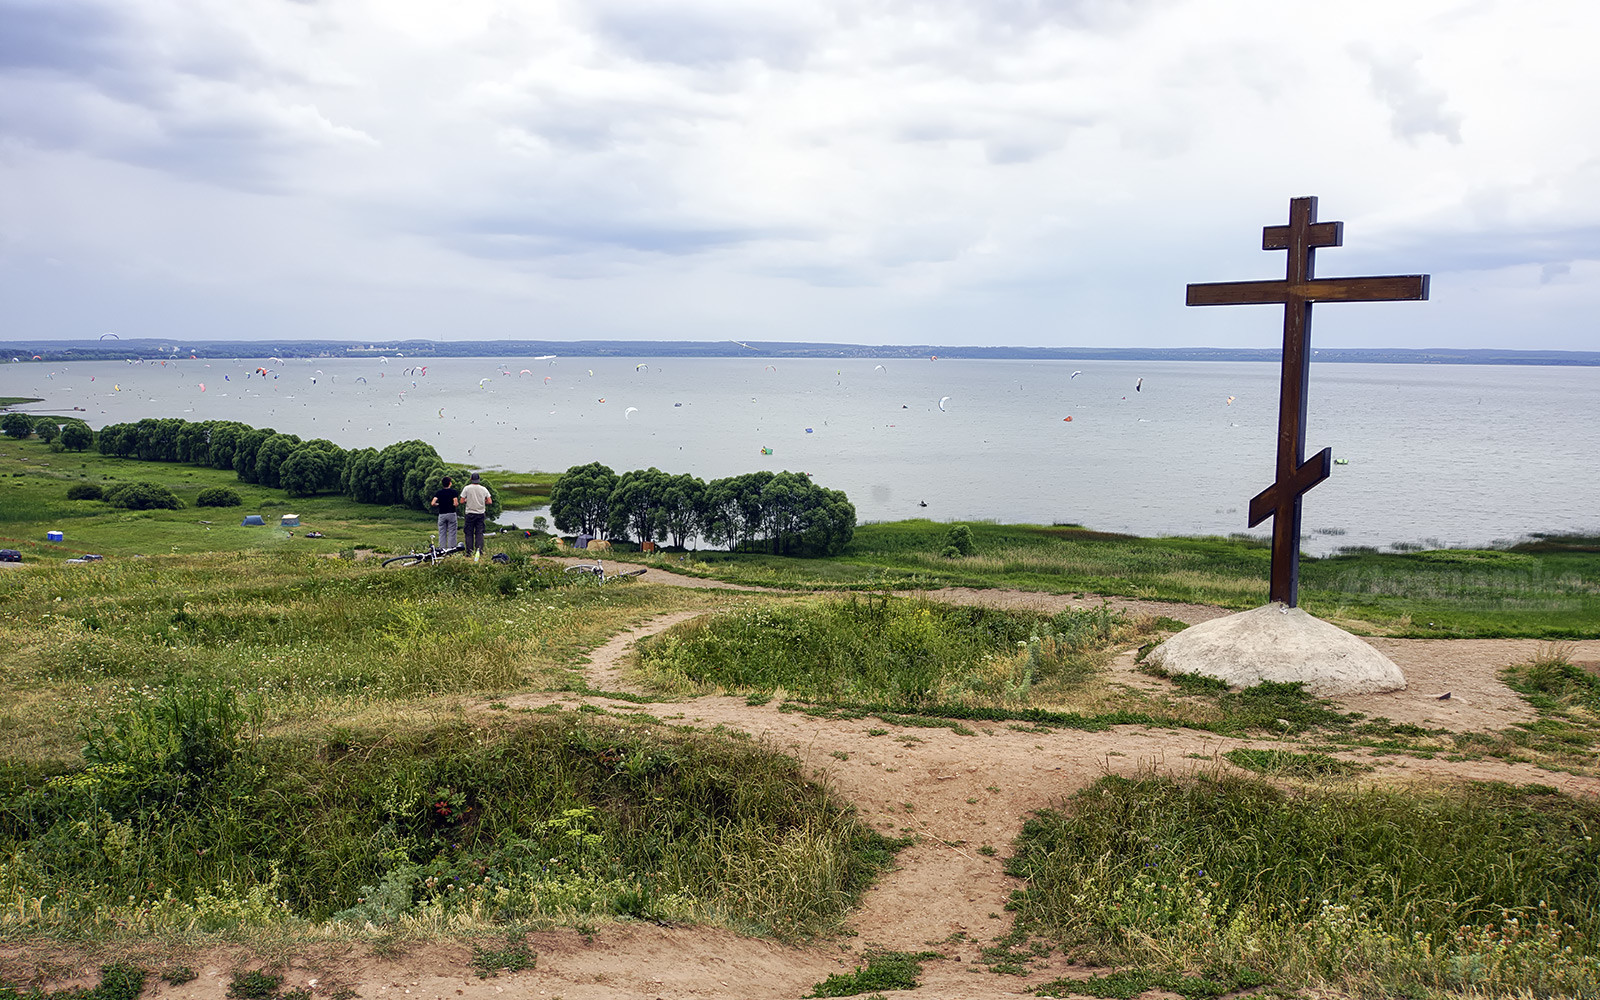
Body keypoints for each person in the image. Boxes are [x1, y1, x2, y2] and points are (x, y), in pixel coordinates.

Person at [460, 471, 493, 559]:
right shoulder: (484, 489)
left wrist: (468, 500)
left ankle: (469, 552)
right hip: (480, 513)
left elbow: (462, 501)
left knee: (469, 533)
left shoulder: (467, 488)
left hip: (470, 513)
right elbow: (489, 501)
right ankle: (479, 551)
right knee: (479, 533)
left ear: (471, 479)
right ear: (479, 480)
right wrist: (483, 502)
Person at [430, 475, 461, 550]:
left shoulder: (439, 492)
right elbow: (455, 503)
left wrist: (439, 504)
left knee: (442, 533)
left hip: (442, 514)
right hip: (451, 513)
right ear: (450, 483)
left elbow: (433, 503)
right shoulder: (453, 492)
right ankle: (451, 549)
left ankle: (442, 549)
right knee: (452, 532)